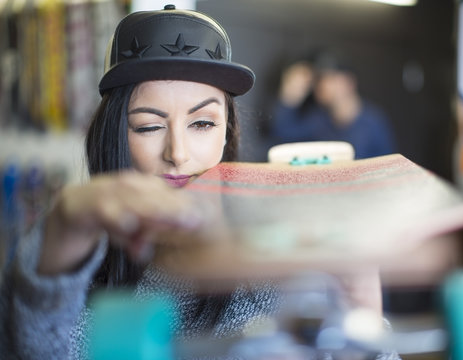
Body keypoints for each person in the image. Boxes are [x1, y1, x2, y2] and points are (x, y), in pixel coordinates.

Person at [0, 6, 400, 360]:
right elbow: (40, 346)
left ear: (227, 133)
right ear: (115, 135)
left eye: (203, 123)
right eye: (149, 125)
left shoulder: (274, 266)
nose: (178, 152)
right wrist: (62, 232)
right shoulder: (69, 266)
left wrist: (363, 311)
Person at [271, 53, 396, 159]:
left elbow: (388, 168)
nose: (322, 85)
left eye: (330, 78)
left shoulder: (373, 122)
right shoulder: (319, 119)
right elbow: (283, 133)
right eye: (319, 80)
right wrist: (289, 95)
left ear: (349, 82)